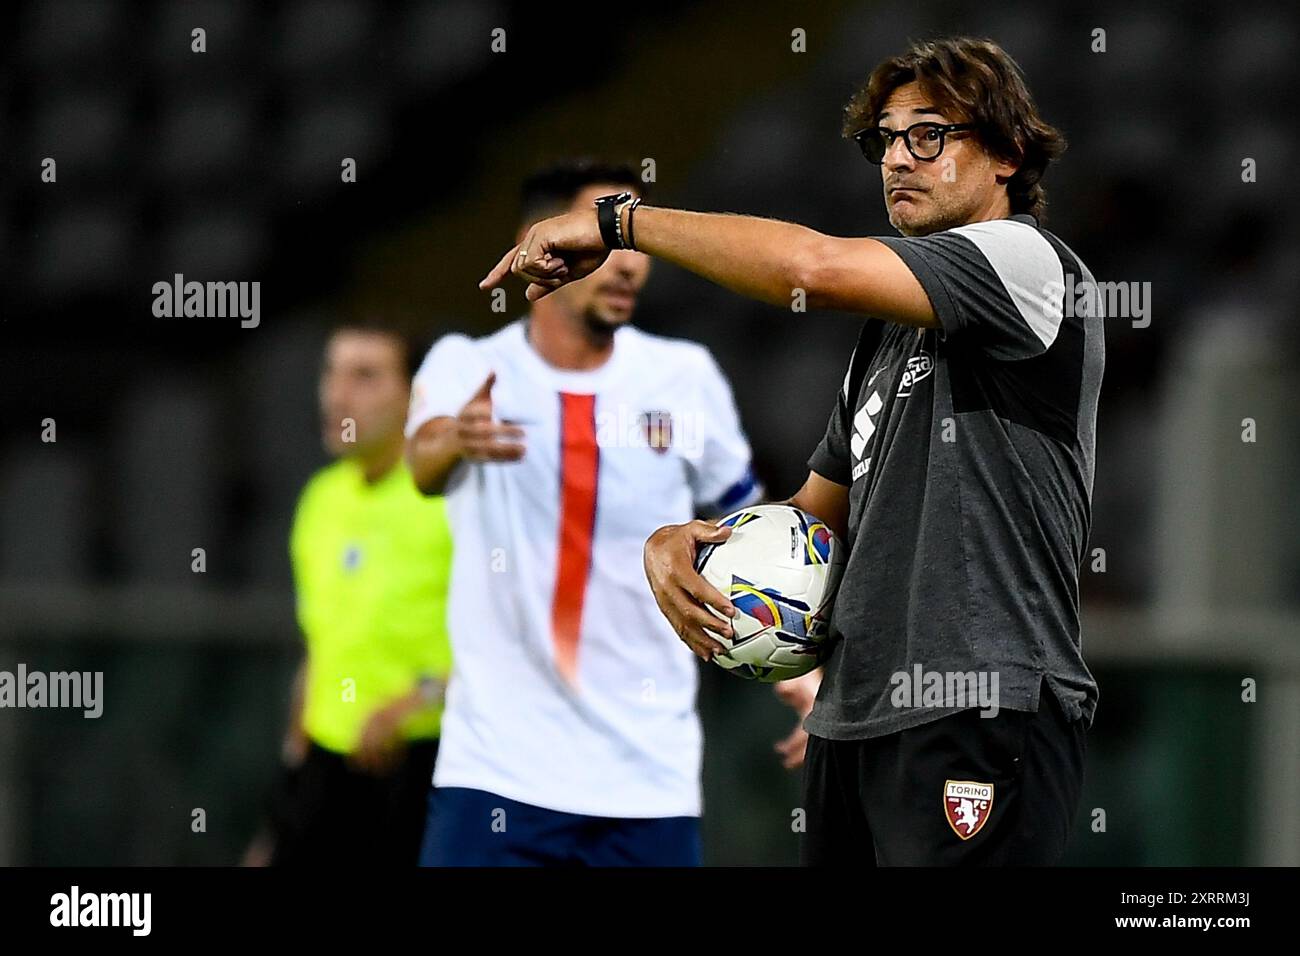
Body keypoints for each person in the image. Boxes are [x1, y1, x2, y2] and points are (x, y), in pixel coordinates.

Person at [482, 38, 1103, 866]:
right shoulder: (891, 332)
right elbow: (816, 516)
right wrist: (686, 544)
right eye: (884, 139)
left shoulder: (1026, 263)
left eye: (928, 135)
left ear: (1006, 154)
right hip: (858, 720)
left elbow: (812, 266)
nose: (896, 159)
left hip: (980, 708)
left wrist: (619, 221)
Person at [407, 159, 760, 866]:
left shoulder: (683, 377)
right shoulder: (465, 366)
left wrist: (801, 679)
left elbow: (749, 526)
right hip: (495, 776)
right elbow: (421, 463)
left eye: (633, 244)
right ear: (542, 242)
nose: (627, 265)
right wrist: (457, 436)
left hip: (646, 781)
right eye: (602, 240)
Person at [256, 319, 454, 866]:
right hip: (327, 764)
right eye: (332, 372)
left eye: (365, 376)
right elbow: (320, 645)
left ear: (416, 396)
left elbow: (512, 642)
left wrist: (416, 704)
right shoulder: (320, 500)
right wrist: (289, 793)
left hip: (424, 767)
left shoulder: (452, 502)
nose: (337, 393)